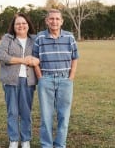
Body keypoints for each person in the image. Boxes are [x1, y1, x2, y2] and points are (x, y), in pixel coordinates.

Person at [32, 9, 79, 148]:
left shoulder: (70, 37)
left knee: (64, 116)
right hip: (46, 80)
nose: (54, 21)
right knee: (46, 117)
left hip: (65, 80)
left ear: (62, 21)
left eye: (57, 19)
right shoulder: (40, 37)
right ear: (47, 21)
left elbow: (75, 58)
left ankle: (60, 145)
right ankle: (46, 145)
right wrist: (40, 77)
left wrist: (71, 77)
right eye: (51, 19)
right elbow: (35, 59)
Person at [0, 13, 39, 148]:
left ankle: (26, 139)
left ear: (28, 25)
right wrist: (23, 60)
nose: (21, 25)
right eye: (18, 23)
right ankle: (14, 139)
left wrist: (34, 61)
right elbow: (2, 56)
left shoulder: (35, 39)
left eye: (24, 23)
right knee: (13, 112)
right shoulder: (8, 38)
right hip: (10, 81)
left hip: (28, 81)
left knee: (26, 112)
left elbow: (40, 56)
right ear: (13, 26)